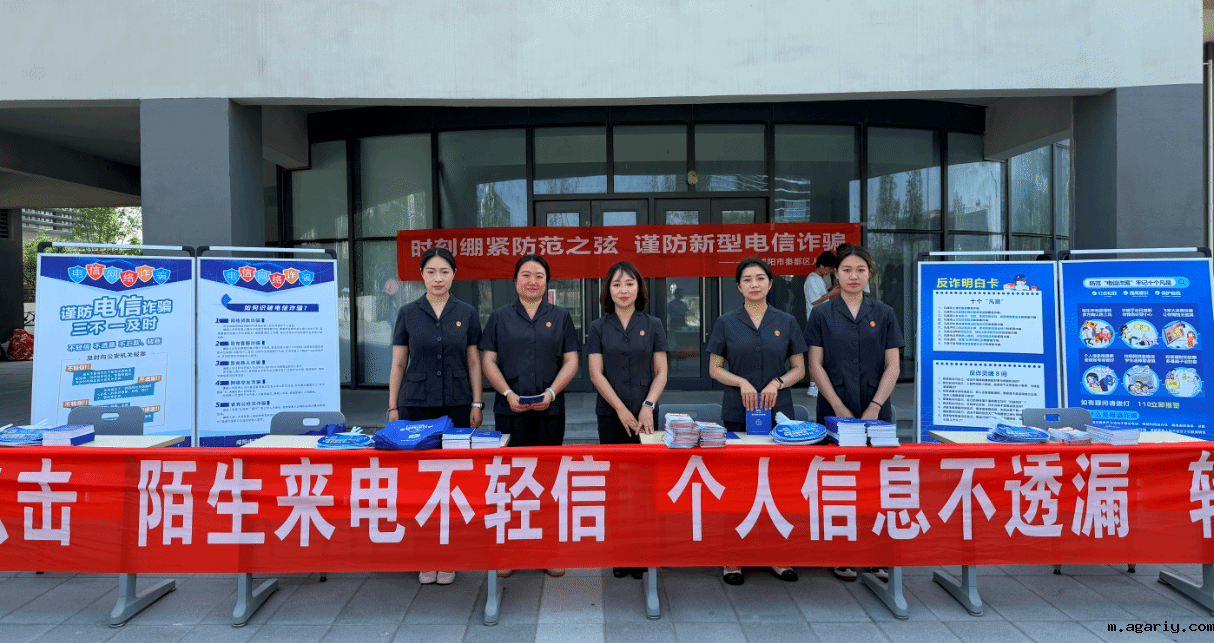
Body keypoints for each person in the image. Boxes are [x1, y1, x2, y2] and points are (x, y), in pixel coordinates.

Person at [805, 243, 903, 583]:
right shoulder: (821, 315)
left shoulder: (885, 313)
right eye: (846, 270)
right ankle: (841, 551)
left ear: (869, 273)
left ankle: (877, 554)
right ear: (835, 273)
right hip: (834, 409)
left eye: (860, 270)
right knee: (838, 480)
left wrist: (875, 406)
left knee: (877, 482)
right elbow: (815, 364)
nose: (853, 276)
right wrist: (838, 407)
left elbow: (893, 365)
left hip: (876, 411)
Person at [706, 257, 807, 587]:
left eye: (760, 278)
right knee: (738, 483)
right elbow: (715, 368)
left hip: (780, 415)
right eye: (747, 279)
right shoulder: (726, 322)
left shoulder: (787, 321)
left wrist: (778, 382)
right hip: (738, 412)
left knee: (779, 484)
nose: (754, 284)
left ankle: (776, 553)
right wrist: (741, 382)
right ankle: (733, 556)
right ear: (739, 286)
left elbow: (799, 369)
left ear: (770, 283)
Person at [387, 246, 484, 586]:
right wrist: (393, 408)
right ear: (422, 275)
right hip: (415, 405)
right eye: (431, 272)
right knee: (419, 482)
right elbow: (399, 363)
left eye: (444, 271)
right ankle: (425, 554)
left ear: (454, 274)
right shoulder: (408, 313)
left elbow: (474, 361)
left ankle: (450, 554)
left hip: (457, 404)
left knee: (454, 480)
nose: (438, 278)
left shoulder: (467, 312)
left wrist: (477, 403)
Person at [480, 254, 580, 579]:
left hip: (551, 410)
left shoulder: (561, 317)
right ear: (515, 281)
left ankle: (548, 550)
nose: (532, 281)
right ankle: (509, 551)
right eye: (526, 275)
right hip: (509, 410)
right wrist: (507, 394)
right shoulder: (499, 317)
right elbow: (488, 361)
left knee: (548, 480)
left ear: (547, 282)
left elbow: (571, 361)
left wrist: (551, 393)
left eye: (539, 275)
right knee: (509, 480)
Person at [586, 261, 669, 580]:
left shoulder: (654, 324)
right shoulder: (598, 327)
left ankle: (644, 550)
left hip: (647, 415)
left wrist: (648, 405)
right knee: (617, 484)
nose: (623, 290)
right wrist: (620, 409)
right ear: (608, 290)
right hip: (611, 414)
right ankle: (621, 551)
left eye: (629, 283)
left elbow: (661, 371)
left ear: (639, 288)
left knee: (646, 485)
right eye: (617, 284)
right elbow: (596, 373)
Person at [803, 250, 839, 398]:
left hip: (822, 321)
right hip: (816, 321)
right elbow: (815, 302)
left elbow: (821, 297)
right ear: (822, 266)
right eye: (829, 268)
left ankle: (817, 385)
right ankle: (813, 386)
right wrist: (831, 294)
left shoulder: (818, 279)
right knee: (816, 356)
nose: (830, 271)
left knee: (821, 355)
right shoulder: (812, 279)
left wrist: (831, 291)